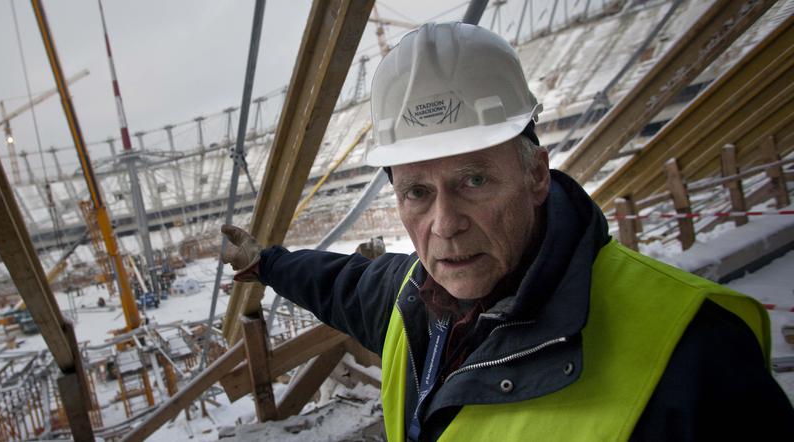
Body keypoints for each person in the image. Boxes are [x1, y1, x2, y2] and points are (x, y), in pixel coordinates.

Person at [220, 22, 794, 441]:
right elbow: (337, 282)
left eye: (473, 179)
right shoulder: (409, 301)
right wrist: (264, 263)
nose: (444, 225)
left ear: (536, 174)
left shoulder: (693, 355)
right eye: (417, 192)